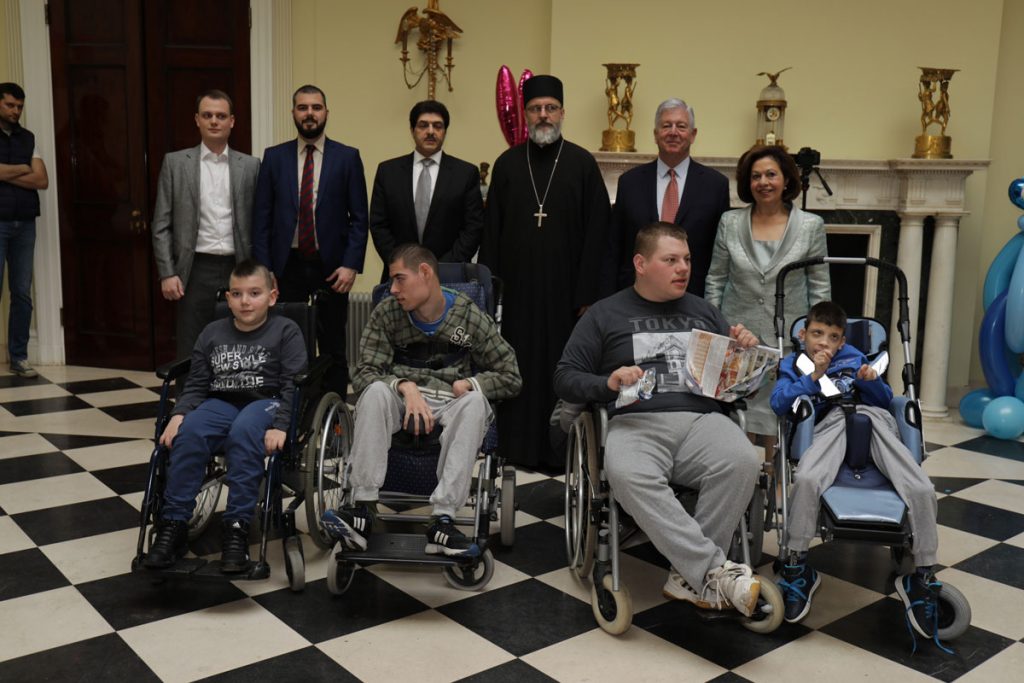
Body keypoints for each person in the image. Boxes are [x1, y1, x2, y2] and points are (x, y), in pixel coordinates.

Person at [554, 222, 763, 617]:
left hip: (702, 418)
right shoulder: (604, 314)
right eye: (670, 260)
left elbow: (740, 391)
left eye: (686, 259)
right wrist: (607, 382)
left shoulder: (705, 311)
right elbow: (564, 377)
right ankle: (711, 572)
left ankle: (690, 576)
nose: (683, 268)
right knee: (627, 474)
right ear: (641, 264)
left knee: (743, 461)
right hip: (636, 420)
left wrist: (744, 356)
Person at [321, 244, 521, 557]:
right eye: (392, 281)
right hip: (400, 398)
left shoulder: (468, 315)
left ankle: (443, 520)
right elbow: (364, 373)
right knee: (373, 392)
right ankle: (361, 509)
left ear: (425, 273)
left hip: (450, 399)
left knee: (476, 403)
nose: (393, 289)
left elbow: (511, 376)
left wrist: (472, 383)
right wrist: (405, 387)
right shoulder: (387, 312)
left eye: (400, 279)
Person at [770, 301, 940, 632]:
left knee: (920, 487)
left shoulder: (855, 358)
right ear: (803, 334)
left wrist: (870, 381)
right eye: (817, 334)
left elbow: (885, 400)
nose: (824, 343)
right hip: (828, 423)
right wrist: (814, 376)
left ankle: (923, 575)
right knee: (806, 479)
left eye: (833, 337)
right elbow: (779, 403)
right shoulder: (793, 364)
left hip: (873, 421)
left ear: (842, 341)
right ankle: (798, 564)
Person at [480, 74, 611, 469]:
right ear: (526, 114)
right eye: (536, 109)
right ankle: (517, 448)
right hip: (518, 294)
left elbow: (598, 234)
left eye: (550, 108)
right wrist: (492, 291)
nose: (543, 115)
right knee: (517, 367)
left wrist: (588, 296)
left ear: (562, 113)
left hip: (567, 297)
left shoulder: (582, 164)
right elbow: (491, 233)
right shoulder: (507, 164)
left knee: (563, 369)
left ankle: (564, 451)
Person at [144, 260, 307, 572]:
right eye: (237, 294)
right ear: (227, 298)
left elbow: (292, 384)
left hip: (266, 402)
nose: (245, 301)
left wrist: (282, 425)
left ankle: (236, 526)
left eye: (254, 293)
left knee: (244, 431)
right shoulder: (212, 333)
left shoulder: (286, 331)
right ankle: (173, 524)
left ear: (272, 296)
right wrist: (179, 415)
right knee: (190, 432)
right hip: (220, 401)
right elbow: (197, 384)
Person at [705, 145, 830, 459]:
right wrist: (717, 329)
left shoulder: (811, 226)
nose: (763, 182)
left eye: (771, 174)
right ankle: (743, 474)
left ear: (786, 179)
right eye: (755, 176)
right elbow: (716, 279)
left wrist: (817, 336)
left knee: (780, 413)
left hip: (787, 337)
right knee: (740, 415)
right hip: (739, 336)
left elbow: (819, 286)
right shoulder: (730, 222)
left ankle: (776, 477)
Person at [252, 84, 368, 397]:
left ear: (326, 113)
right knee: (288, 343)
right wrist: (264, 270)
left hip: (332, 269)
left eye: (316, 107)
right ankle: (294, 410)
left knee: (333, 346)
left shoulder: (347, 157)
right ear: (293, 113)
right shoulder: (274, 158)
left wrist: (350, 265)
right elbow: (261, 220)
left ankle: (334, 411)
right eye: (303, 107)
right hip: (285, 268)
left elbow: (359, 218)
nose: (309, 113)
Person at [151, 89, 261, 362]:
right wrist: (167, 272)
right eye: (207, 115)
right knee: (191, 348)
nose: (214, 121)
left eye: (221, 116)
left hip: (238, 267)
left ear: (232, 121)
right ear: (197, 120)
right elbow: (161, 224)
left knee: (239, 346)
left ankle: (232, 392)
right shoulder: (175, 163)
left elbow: (261, 223)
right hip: (194, 270)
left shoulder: (251, 166)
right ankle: (189, 393)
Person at [605, 98, 729, 298]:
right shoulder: (629, 182)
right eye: (666, 126)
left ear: (693, 134)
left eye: (681, 126)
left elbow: (721, 254)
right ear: (656, 134)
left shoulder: (716, 185)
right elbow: (615, 246)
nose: (673, 132)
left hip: (693, 297)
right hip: (635, 295)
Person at [368, 100, 483, 282]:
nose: (430, 131)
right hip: (399, 278)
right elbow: (378, 225)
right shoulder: (388, 172)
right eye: (423, 125)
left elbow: (473, 228)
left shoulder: (465, 174)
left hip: (449, 278)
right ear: (412, 130)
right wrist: (403, 267)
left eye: (437, 126)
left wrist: (440, 269)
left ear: (445, 131)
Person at [0, 82, 48, 378]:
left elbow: (41, 179)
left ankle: (19, 357)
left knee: (21, 292)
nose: (16, 111)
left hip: (25, 223)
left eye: (19, 106)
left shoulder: (28, 138)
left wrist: (5, 171)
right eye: (10, 105)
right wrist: (22, 167)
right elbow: (30, 172)